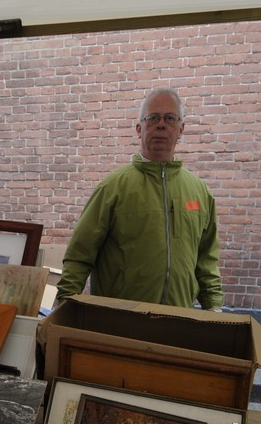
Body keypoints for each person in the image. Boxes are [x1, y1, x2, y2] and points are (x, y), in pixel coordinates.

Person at [56, 88, 223, 310]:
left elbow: (207, 262)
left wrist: (214, 307)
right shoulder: (112, 189)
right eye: (153, 118)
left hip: (178, 319)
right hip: (119, 320)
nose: (161, 124)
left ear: (181, 129)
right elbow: (80, 253)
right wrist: (65, 303)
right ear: (139, 128)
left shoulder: (199, 193)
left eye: (170, 118)